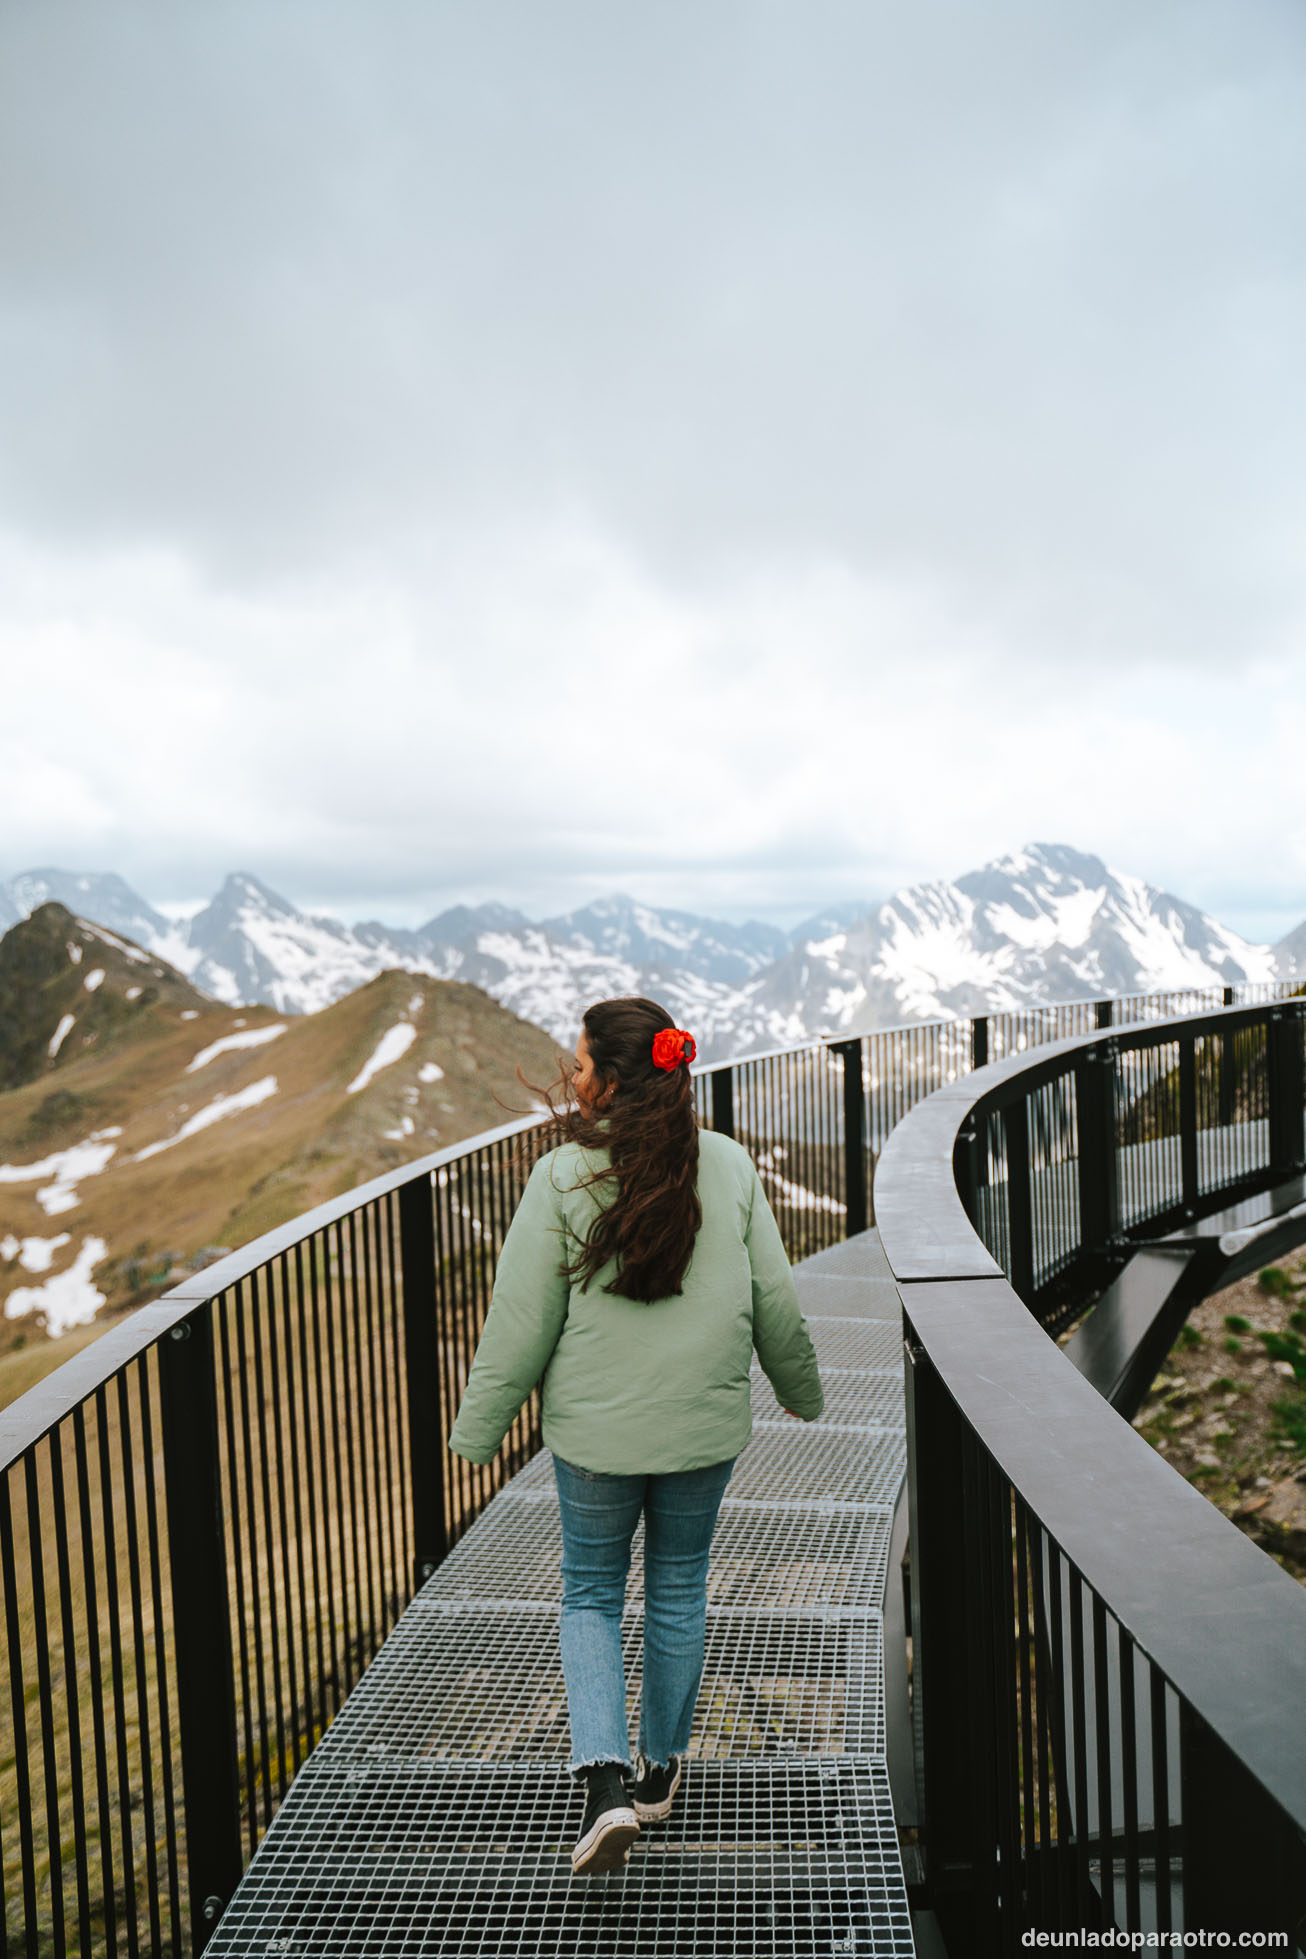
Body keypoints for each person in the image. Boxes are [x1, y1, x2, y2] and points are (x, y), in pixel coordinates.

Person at [447, 996, 825, 1876]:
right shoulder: (727, 1166)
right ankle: (658, 1774)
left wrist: (476, 1434)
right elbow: (775, 1297)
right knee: (680, 1586)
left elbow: (519, 1325)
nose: (572, 1079)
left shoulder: (561, 1179)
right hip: (703, 1424)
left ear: (610, 1082)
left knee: (590, 1592)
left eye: (580, 1066)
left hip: (597, 1437)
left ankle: (605, 1784)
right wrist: (802, 1390)